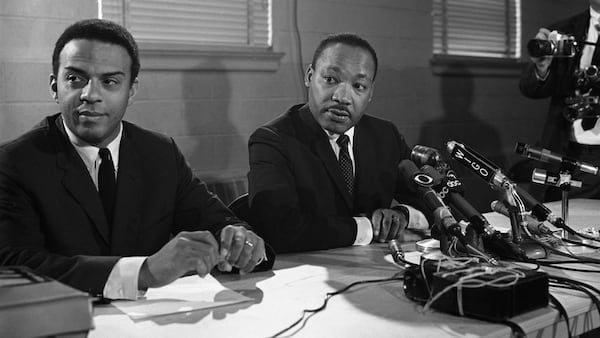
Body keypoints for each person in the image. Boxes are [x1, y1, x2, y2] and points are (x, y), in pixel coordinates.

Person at [0, 19, 270, 300]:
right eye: (75, 79)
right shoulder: (14, 163)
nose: (90, 95)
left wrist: (243, 242)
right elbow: (15, 268)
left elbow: (217, 222)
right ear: (55, 86)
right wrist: (143, 272)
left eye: (110, 82)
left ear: (131, 90)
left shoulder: (160, 152)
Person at [247, 33, 428, 254]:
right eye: (331, 80)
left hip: (375, 270)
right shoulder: (272, 140)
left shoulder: (385, 135)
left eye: (359, 86)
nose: (342, 97)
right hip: (303, 275)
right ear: (309, 76)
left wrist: (401, 215)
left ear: (370, 92)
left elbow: (432, 203)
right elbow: (277, 228)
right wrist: (367, 228)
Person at [519, 0, 600, 200]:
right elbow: (530, 87)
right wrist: (541, 67)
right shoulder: (561, 30)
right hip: (572, 149)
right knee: (569, 222)